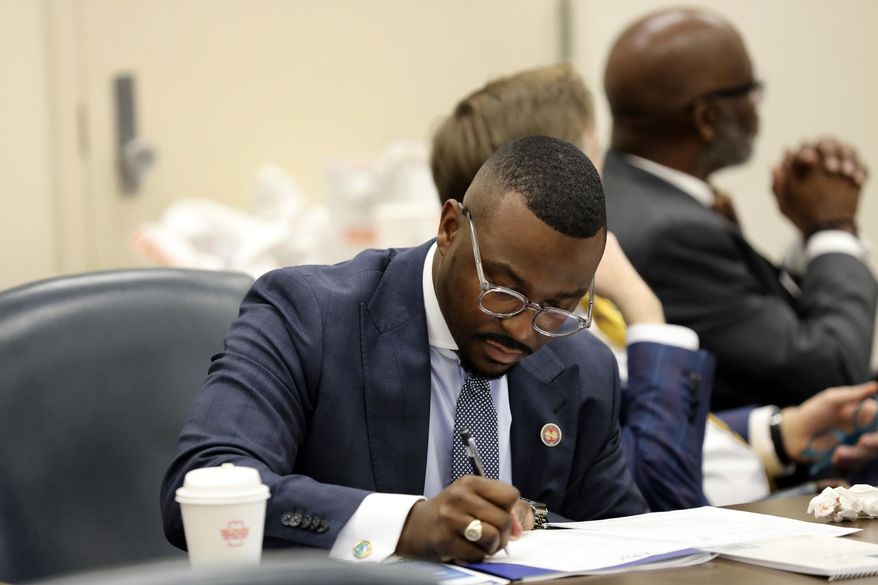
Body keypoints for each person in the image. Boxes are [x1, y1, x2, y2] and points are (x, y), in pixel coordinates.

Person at [161, 136, 648, 565]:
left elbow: (624, 541)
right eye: (502, 289)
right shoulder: (308, 317)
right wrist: (406, 525)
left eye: (557, 308)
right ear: (450, 227)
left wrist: (528, 521)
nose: (524, 330)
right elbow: (203, 484)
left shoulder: (583, 367)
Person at [429, 63, 878, 507]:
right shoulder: (545, 323)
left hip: (746, 481)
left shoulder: (573, 307)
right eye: (596, 158)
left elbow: (624, 429)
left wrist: (777, 433)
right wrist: (645, 311)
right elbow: (659, 491)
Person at [601, 7, 877, 411]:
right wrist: (832, 229)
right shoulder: (677, 236)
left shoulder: (617, 189)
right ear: (707, 118)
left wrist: (805, 248)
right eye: (751, 89)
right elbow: (830, 372)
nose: (757, 104)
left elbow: (759, 326)